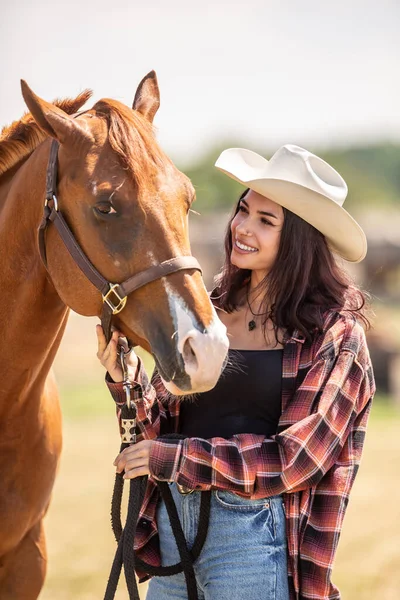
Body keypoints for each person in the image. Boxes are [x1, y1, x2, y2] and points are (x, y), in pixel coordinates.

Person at [96, 144, 376, 600]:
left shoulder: (336, 336)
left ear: (300, 239)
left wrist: (181, 459)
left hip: (252, 534)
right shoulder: (211, 314)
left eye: (266, 222)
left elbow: (297, 461)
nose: (242, 228)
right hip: (173, 523)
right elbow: (162, 427)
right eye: (243, 210)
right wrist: (127, 379)